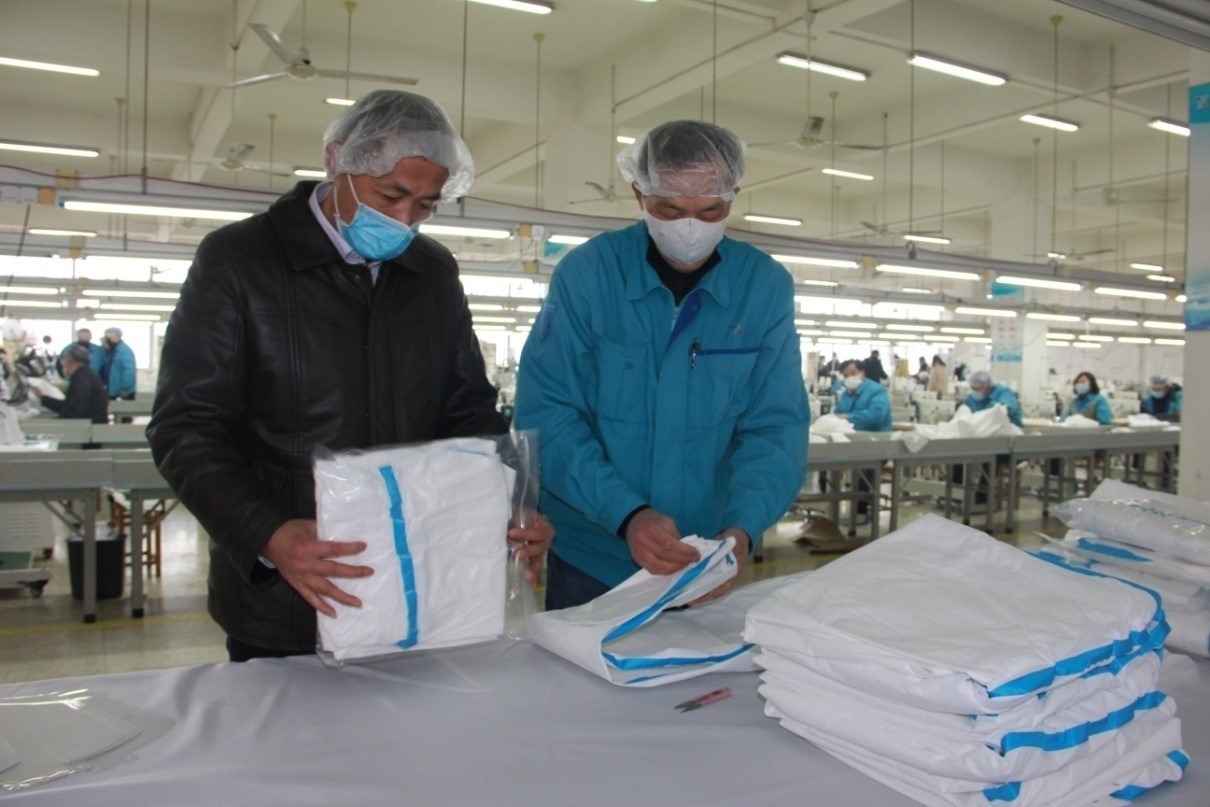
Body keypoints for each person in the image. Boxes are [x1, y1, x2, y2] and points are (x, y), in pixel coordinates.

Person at [147, 90, 553, 661]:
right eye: (391, 195)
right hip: (292, 593)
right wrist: (268, 532)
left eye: (427, 205)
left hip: (421, 582)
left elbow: (467, 411)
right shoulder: (240, 262)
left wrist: (511, 505)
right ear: (336, 159)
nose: (405, 219)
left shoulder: (432, 274)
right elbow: (186, 426)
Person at [514, 119, 809, 610]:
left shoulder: (763, 287)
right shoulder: (588, 275)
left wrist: (743, 528)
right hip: (595, 553)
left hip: (705, 555)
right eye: (670, 209)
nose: (690, 227)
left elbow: (776, 427)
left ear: (733, 196)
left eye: (710, 210)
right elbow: (549, 412)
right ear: (639, 194)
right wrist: (625, 514)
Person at [833, 359, 891, 521]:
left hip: (877, 444)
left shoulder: (877, 391)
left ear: (862, 373)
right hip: (853, 444)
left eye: (853, 373)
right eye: (845, 375)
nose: (849, 378)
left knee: (866, 468)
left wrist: (847, 417)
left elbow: (875, 417)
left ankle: (861, 510)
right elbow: (836, 414)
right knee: (826, 466)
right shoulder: (847, 394)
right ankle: (828, 507)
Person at [29, 344, 108, 424]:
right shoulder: (84, 375)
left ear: (70, 360)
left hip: (89, 427)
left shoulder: (81, 379)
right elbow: (70, 406)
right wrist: (43, 398)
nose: (63, 363)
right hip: (90, 424)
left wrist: (49, 424)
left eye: (65, 359)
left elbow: (75, 413)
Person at [100, 327, 137, 400]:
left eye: (109, 338)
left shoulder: (124, 351)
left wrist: (125, 388)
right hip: (111, 390)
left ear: (117, 336)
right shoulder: (111, 351)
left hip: (123, 391)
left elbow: (129, 371)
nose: (107, 340)